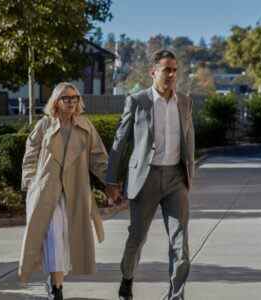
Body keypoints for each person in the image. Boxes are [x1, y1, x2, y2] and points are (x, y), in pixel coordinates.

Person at [105, 49, 195, 300]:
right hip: (145, 179)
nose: (171, 75)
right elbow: (120, 142)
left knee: (180, 242)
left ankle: (176, 295)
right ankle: (127, 279)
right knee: (137, 237)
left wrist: (190, 175)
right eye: (167, 69)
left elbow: (190, 140)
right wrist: (111, 180)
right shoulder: (137, 101)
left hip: (176, 178)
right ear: (153, 71)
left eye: (175, 70)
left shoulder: (185, 102)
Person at [18, 82, 109, 300]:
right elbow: (30, 156)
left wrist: (112, 183)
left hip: (75, 190)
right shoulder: (44, 125)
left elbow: (99, 159)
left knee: (67, 238)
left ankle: (54, 279)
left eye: (74, 97)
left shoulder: (86, 126)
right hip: (46, 190)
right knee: (53, 237)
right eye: (66, 98)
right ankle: (57, 287)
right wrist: (31, 184)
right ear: (56, 101)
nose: (71, 102)